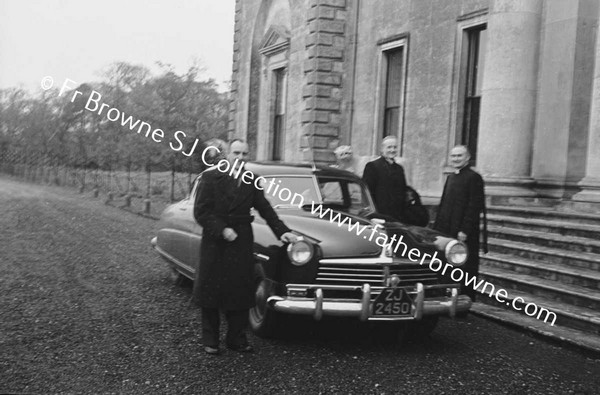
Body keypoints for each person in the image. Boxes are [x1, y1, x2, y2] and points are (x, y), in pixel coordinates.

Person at [193, 139, 297, 355]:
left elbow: (266, 209)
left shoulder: (252, 180)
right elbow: (201, 212)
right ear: (227, 155)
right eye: (236, 153)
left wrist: (282, 231)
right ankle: (211, 340)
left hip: (241, 239)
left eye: (244, 154)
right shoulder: (210, 177)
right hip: (215, 241)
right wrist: (222, 230)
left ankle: (236, 339)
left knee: (240, 290)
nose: (240, 158)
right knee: (211, 291)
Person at [433, 145, 487, 301]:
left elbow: (473, 206)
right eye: (453, 156)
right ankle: (448, 296)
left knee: (465, 266)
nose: (456, 159)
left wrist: (465, 230)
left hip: (463, 232)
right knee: (448, 264)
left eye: (459, 156)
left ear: (467, 158)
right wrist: (437, 229)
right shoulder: (451, 177)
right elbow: (444, 204)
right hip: (447, 229)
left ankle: (465, 298)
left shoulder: (474, 178)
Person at [362, 136, 408, 222]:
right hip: (379, 215)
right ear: (382, 149)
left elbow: (403, 191)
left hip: (397, 216)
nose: (392, 150)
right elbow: (367, 192)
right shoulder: (372, 166)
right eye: (389, 147)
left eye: (395, 147)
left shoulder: (399, 169)